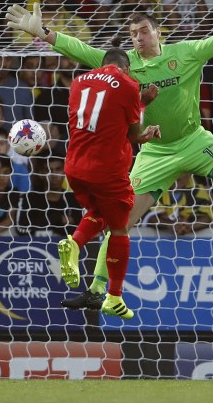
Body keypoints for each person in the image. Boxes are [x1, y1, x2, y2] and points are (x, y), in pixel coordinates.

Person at [6, 0, 213, 309]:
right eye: (132, 34)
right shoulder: (125, 67)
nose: (138, 38)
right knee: (120, 221)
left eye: (143, 31)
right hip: (155, 151)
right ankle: (96, 289)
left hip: (193, 140)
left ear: (158, 32)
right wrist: (42, 32)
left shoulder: (186, 53)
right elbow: (81, 49)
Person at [56, 48, 160, 317]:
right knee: (120, 228)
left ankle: (75, 242)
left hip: (74, 166)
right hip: (107, 170)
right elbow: (132, 135)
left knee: (99, 213)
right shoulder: (128, 85)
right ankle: (114, 297)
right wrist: (143, 102)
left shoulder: (79, 81)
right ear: (125, 68)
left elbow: (101, 121)